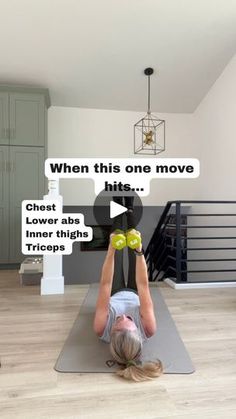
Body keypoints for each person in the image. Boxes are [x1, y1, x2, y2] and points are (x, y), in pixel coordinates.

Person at [93, 196, 163, 382]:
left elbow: (105, 284)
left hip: (114, 292)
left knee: (117, 238)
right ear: (139, 333)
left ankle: (118, 204)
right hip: (135, 291)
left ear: (112, 333)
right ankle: (129, 208)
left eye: (118, 321)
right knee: (133, 242)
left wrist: (111, 249)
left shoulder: (101, 328)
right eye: (129, 319)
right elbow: (143, 285)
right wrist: (139, 251)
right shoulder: (148, 328)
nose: (123, 315)